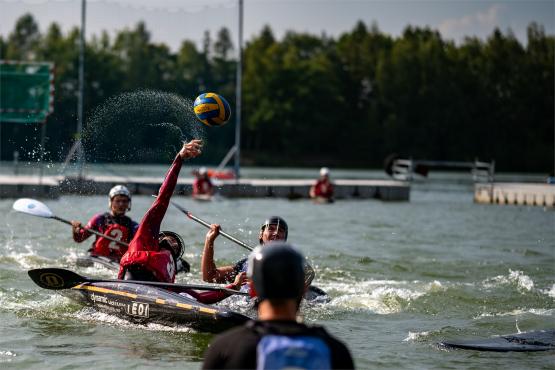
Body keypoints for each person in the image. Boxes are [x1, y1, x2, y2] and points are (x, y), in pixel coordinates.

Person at [117, 140, 241, 304]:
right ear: (159, 238)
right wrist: (179, 158)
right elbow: (163, 197)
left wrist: (234, 287)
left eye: (176, 246)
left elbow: (200, 298)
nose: (174, 244)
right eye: (172, 240)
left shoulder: (170, 275)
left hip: (153, 298)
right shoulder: (145, 238)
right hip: (128, 287)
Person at [202, 243, 355, 369]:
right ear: (304, 289)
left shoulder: (225, 349)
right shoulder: (336, 352)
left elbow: (209, 276)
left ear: (253, 289)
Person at [201, 216, 289, 285]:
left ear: (284, 239)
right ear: (261, 235)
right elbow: (209, 276)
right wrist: (209, 240)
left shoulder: (291, 267)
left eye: (280, 230)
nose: (276, 233)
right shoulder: (245, 265)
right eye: (271, 229)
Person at [71, 185, 139, 262]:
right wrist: (75, 229)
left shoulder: (133, 226)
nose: (121, 204)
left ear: (128, 204)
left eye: (124, 201)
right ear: (111, 202)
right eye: (117, 201)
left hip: (118, 262)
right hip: (97, 258)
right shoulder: (99, 220)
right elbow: (79, 238)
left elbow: (139, 248)